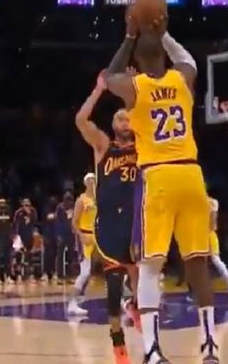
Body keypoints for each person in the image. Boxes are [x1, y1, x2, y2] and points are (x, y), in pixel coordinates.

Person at [105, 4, 218, 364]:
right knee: (198, 264)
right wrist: (162, 31)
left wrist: (130, 35)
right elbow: (188, 60)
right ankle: (210, 346)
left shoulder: (135, 87)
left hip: (158, 177)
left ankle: (153, 350)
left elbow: (110, 75)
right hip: (192, 175)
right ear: (164, 56)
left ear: (137, 62)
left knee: (150, 266)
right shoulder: (181, 79)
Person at [75, 73, 140, 363]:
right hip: (110, 225)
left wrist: (136, 90)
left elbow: (147, 113)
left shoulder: (143, 145)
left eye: (127, 118)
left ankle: (136, 308)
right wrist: (99, 89)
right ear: (113, 126)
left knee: (142, 279)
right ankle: (118, 342)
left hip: (137, 222)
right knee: (113, 287)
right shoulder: (103, 146)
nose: (124, 121)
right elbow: (80, 120)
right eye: (119, 118)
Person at [68, 173, 97, 315]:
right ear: (85, 183)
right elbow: (74, 222)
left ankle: (122, 301)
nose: (93, 182)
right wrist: (81, 236)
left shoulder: (98, 200)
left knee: (112, 267)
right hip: (84, 237)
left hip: (96, 237)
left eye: (94, 180)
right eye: (90, 180)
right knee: (84, 272)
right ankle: (72, 304)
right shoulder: (81, 200)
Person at [207, 196, 228, 294]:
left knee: (216, 260)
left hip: (209, 234)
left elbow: (212, 223)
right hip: (199, 235)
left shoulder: (212, 202)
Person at [13, 198, 39, 282]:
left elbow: (35, 222)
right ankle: (18, 274)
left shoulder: (33, 211)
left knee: (29, 256)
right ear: (22, 205)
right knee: (18, 255)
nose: (27, 207)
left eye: (28, 205)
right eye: (25, 205)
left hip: (29, 235)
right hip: (20, 236)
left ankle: (30, 275)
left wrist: (29, 214)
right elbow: (15, 224)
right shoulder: (18, 212)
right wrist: (16, 236)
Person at [54, 191, 75, 284]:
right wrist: (58, 235)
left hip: (71, 234)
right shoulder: (60, 207)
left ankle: (70, 276)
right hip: (62, 234)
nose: (69, 202)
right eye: (67, 199)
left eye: (70, 199)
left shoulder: (74, 207)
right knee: (60, 256)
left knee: (71, 256)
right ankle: (60, 276)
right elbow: (57, 222)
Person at [0, 198, 14, 284]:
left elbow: (11, 224)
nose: (2, 205)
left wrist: (12, 235)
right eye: (1, 203)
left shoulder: (9, 212)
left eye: (4, 203)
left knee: (7, 258)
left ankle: (8, 276)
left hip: (7, 237)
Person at [41, 196, 59, 283]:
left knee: (54, 255)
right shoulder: (46, 210)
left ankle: (53, 272)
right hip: (47, 236)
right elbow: (47, 219)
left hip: (55, 236)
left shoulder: (58, 210)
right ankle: (45, 273)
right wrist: (45, 237)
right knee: (47, 255)